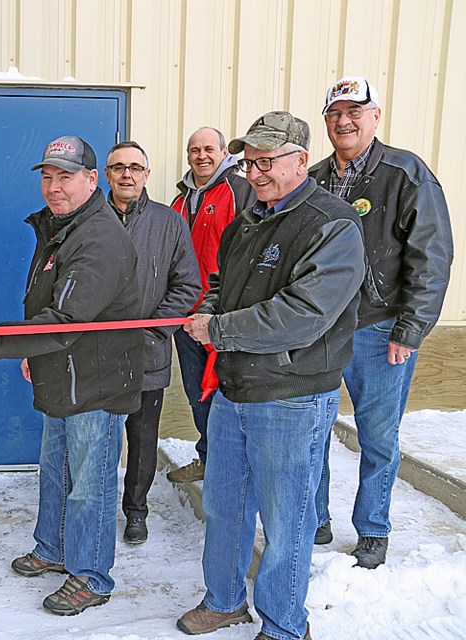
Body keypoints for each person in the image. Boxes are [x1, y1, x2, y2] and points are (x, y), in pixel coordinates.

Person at [175, 112, 365, 640]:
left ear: (301, 160)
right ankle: (225, 600)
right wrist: (209, 309)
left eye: (266, 161)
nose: (254, 172)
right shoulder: (246, 222)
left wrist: (221, 328)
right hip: (235, 390)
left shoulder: (332, 224)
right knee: (224, 506)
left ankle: (284, 625)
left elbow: (304, 314)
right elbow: (219, 283)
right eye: (250, 162)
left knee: (287, 521)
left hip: (291, 396)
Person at [0, 135, 144, 616]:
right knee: (55, 473)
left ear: (92, 179)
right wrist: (36, 355)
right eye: (48, 176)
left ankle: (92, 575)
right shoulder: (62, 228)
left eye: (67, 176)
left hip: (95, 384)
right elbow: (51, 308)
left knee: (89, 485)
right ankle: (54, 550)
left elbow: (68, 319)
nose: (55, 187)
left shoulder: (99, 238)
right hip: (63, 372)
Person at [309, 76, 454, 566]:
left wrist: (410, 329)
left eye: (355, 111)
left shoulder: (406, 173)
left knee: (377, 435)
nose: (344, 121)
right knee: (313, 429)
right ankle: (317, 518)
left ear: (375, 116)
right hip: (323, 330)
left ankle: (372, 526)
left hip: (380, 329)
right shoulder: (314, 178)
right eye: (334, 113)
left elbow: (431, 256)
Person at [103, 141, 200, 544]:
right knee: (98, 439)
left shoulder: (169, 222)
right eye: (119, 167)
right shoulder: (87, 218)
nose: (127, 174)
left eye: (135, 168)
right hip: (98, 355)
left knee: (142, 439)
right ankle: (95, 507)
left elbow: (187, 285)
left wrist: (153, 328)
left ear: (146, 175)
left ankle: (136, 511)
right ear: (105, 175)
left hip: (148, 351)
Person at [168, 127, 256, 483]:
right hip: (185, 315)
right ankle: (207, 457)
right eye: (194, 150)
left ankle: (236, 465)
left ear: (224, 153)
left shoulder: (240, 191)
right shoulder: (178, 202)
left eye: (208, 149)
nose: (201, 156)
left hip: (224, 315)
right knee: (196, 392)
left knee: (227, 391)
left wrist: (228, 308)